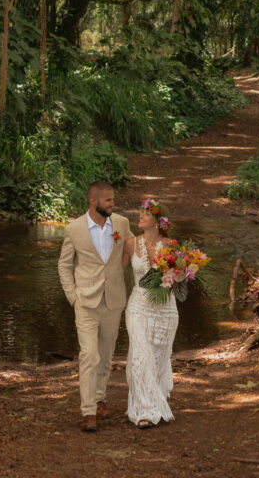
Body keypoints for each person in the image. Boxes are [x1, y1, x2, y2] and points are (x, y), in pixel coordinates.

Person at [57, 180, 132, 432]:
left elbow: (132, 249)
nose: (113, 204)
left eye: (113, 199)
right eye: (108, 200)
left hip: (113, 300)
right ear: (93, 201)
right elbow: (64, 266)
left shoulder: (121, 224)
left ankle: (100, 399)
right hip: (85, 302)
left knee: (105, 353)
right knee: (88, 355)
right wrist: (73, 297)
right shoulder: (73, 229)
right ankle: (88, 411)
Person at [122, 197, 178, 429]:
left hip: (166, 309)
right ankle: (144, 410)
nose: (140, 216)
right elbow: (113, 270)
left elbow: (180, 275)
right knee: (140, 354)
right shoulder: (129, 244)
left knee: (158, 357)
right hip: (138, 307)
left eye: (146, 214)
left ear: (157, 221)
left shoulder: (172, 245)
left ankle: (154, 400)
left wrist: (177, 277)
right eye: (141, 213)